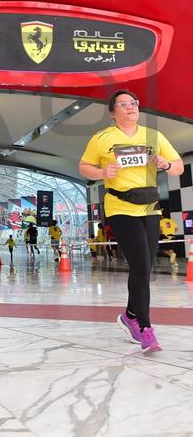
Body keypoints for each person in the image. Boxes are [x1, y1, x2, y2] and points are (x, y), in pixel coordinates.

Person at [79, 89, 183, 352]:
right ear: (112, 112)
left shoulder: (153, 136)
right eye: (123, 104)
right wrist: (103, 172)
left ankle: (129, 316)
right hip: (120, 207)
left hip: (150, 208)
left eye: (134, 103)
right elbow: (84, 167)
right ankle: (146, 329)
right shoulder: (101, 138)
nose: (130, 107)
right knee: (140, 265)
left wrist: (165, 164)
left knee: (144, 268)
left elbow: (178, 166)